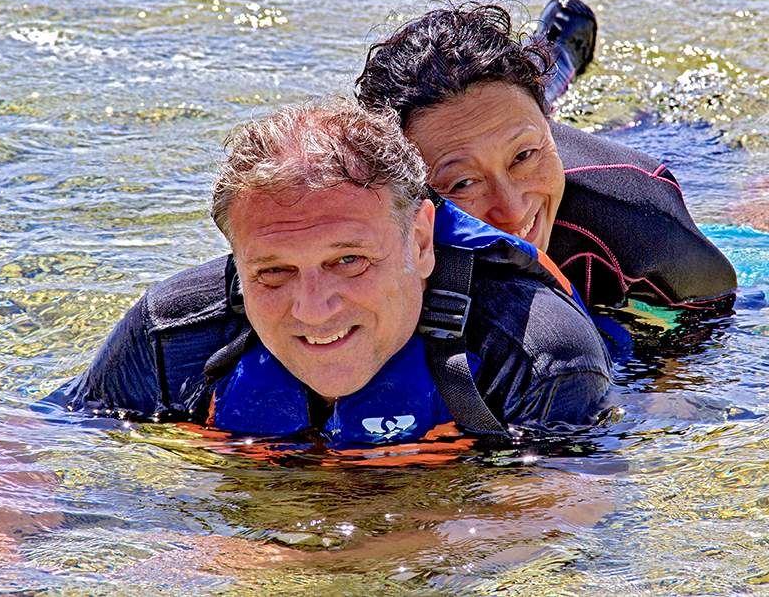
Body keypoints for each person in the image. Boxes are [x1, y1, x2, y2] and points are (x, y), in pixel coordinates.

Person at [43, 100, 613, 445]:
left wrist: (290, 563)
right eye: (273, 271)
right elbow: (34, 438)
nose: (314, 309)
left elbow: (562, 516)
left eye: (348, 261)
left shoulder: (536, 355)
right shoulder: (171, 338)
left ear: (420, 241)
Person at [355, 0, 739, 320]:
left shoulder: (642, 225)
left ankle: (557, 49)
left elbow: (712, 329)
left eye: (524, 157)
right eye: (463, 183)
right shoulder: (371, 223)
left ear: (548, 128)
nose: (512, 211)